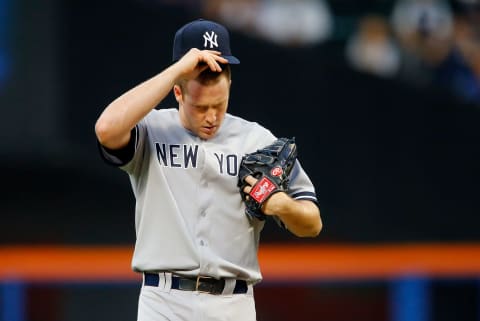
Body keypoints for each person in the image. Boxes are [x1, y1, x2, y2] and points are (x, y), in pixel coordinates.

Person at [95, 18, 322, 321]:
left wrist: (283, 206)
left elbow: (313, 224)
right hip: (163, 301)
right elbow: (106, 129)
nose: (212, 117)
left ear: (230, 84)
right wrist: (177, 70)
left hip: (233, 303)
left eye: (220, 104)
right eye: (201, 108)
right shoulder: (152, 130)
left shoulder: (256, 140)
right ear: (178, 92)